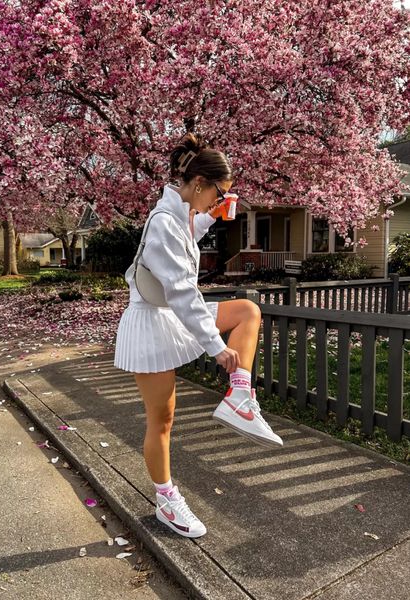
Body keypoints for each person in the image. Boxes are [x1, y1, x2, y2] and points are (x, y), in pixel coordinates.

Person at [114, 133, 283, 538]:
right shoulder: (164, 224)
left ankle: (239, 396)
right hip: (152, 322)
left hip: (170, 316)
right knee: (162, 420)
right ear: (199, 184)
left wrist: (212, 216)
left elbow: (186, 235)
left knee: (247, 311)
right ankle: (166, 501)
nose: (219, 199)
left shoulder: (179, 214)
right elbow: (182, 292)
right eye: (218, 193)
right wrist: (217, 348)